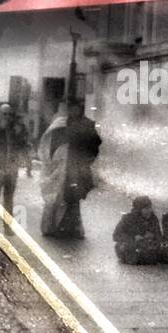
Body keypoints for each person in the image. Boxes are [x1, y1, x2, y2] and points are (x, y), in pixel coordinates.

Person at [39, 99, 101, 240]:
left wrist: (87, 159)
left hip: (76, 169)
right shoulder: (60, 124)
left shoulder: (86, 124)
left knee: (72, 198)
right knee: (57, 197)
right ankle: (55, 227)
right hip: (61, 166)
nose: (74, 111)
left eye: (77, 108)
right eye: (72, 108)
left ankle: (70, 229)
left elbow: (95, 144)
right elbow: (48, 144)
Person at [0, 102, 30, 230]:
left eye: (9, 114)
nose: (7, 116)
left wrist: (19, 133)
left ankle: (7, 224)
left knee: (9, 197)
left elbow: (23, 143)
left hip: (12, 168)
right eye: (4, 114)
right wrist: (0, 129)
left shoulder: (16, 127)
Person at [113, 196, 163, 264]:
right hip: (131, 245)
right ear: (139, 209)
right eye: (146, 208)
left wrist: (152, 236)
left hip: (145, 245)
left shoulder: (153, 219)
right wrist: (133, 238)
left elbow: (159, 236)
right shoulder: (127, 219)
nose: (149, 211)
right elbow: (116, 235)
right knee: (124, 246)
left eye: (150, 208)